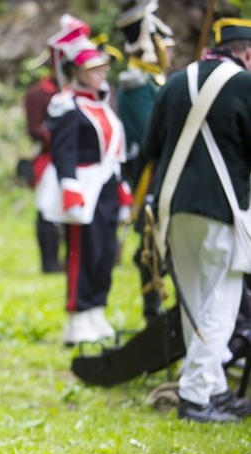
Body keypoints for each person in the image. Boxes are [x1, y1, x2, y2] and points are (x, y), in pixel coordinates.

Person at [145, 18, 251, 422]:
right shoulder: (244, 85)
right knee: (221, 303)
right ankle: (195, 397)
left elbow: (152, 147)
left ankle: (214, 388)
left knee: (195, 303)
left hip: (173, 210)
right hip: (222, 210)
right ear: (247, 53)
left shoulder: (174, 82)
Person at [37, 21, 132, 346]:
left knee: (106, 252)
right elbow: (63, 152)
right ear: (77, 71)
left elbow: (114, 152)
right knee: (82, 252)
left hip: (106, 186)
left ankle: (96, 312)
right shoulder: (67, 105)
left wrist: (122, 189)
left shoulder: (103, 102)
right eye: (94, 68)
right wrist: (70, 188)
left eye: (103, 67)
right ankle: (78, 320)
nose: (101, 73)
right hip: (82, 188)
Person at [115, 0, 175, 323]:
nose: (168, 50)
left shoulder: (154, 81)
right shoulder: (135, 84)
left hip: (164, 172)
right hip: (150, 176)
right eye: (162, 43)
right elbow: (151, 136)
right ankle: (153, 312)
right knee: (151, 250)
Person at [24, 66, 61, 273]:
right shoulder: (38, 94)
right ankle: (50, 263)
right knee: (47, 208)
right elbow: (35, 128)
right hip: (49, 158)